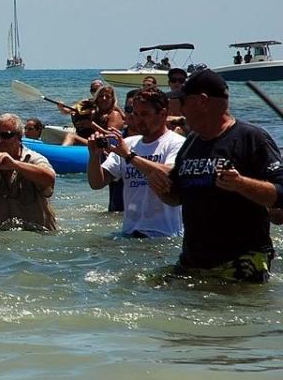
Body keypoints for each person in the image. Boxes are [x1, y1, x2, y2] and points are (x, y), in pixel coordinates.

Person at [149, 70, 283, 282]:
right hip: (193, 260)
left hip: (241, 261)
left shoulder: (250, 138)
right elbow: (176, 197)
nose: (180, 109)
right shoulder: (192, 142)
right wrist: (160, 188)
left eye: (183, 101)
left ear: (202, 101)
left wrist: (240, 184)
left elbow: (280, 195)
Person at [86, 88, 184, 237]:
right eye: (135, 114)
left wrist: (129, 156)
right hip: (129, 233)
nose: (138, 120)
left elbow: (170, 174)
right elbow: (96, 183)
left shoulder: (176, 143)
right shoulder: (128, 143)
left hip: (164, 235)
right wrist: (94, 156)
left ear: (163, 114)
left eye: (145, 114)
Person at [165, 67, 188, 134]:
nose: (177, 83)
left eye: (181, 80)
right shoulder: (163, 99)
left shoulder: (190, 100)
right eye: (173, 80)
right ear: (169, 83)